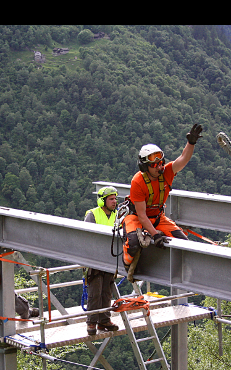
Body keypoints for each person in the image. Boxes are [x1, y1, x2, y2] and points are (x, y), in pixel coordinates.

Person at [122, 123, 203, 279]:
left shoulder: (166, 172)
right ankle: (129, 266)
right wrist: (155, 235)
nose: (159, 167)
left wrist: (191, 143)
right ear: (145, 166)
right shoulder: (138, 182)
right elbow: (142, 215)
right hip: (137, 218)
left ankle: (182, 275)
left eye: (160, 162)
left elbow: (183, 159)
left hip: (158, 217)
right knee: (132, 244)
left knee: (183, 243)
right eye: (155, 164)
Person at [83, 186, 120, 336]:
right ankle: (91, 322)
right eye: (111, 199)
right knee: (95, 293)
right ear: (102, 201)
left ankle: (104, 320)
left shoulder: (117, 215)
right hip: (95, 261)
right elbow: (86, 237)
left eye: (115, 199)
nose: (114, 201)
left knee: (106, 292)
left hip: (110, 260)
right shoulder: (92, 215)